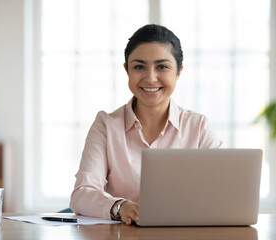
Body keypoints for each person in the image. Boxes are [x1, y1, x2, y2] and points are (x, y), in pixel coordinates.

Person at [69, 24, 222, 225]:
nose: (150, 78)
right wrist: (120, 207)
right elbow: (82, 194)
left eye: (162, 66)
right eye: (139, 67)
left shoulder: (198, 127)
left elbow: (221, 192)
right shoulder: (106, 125)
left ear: (178, 72)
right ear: (127, 71)